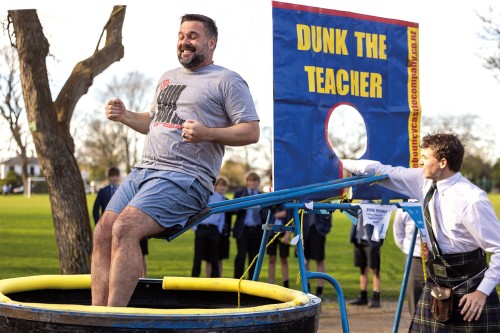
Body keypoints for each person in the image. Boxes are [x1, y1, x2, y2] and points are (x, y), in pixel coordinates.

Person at [91, 13, 260, 307]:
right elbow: (155, 122)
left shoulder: (227, 80)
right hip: (144, 171)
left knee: (124, 229)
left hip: (185, 177)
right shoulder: (167, 76)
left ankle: (111, 318)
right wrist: (126, 115)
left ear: (211, 42)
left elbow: (251, 130)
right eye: (181, 36)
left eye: (192, 36)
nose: (185, 42)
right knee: (103, 231)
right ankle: (95, 315)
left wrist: (208, 133)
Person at [342, 133, 500, 331]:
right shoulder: (422, 182)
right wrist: (337, 161)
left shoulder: (472, 200)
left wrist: (482, 292)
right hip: (436, 280)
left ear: (443, 162)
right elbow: (382, 171)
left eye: (425, 157)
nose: (419, 161)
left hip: (470, 287)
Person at [93, 167, 149, 278]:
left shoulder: (126, 191)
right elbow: (95, 210)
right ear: (109, 178)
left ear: (119, 177)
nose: (114, 178)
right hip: (109, 227)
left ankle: (141, 278)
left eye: (116, 176)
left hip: (126, 226)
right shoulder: (103, 192)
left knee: (133, 254)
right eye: (112, 176)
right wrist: (100, 225)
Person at [191, 176, 229, 278]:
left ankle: (214, 280)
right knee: (198, 256)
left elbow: (222, 215)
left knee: (214, 256)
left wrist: (219, 229)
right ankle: (194, 279)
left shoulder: (221, 198)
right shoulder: (203, 196)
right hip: (201, 229)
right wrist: (195, 228)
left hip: (214, 229)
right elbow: (194, 212)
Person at [349, 201, 384, 308]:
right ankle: (363, 296)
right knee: (362, 269)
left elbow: (382, 224)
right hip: (359, 241)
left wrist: (378, 241)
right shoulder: (357, 206)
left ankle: (376, 297)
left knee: (374, 269)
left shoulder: (375, 206)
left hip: (371, 242)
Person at [393, 207, 426, 316]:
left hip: (435, 258)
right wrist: (409, 250)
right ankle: (416, 324)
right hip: (413, 258)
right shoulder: (404, 209)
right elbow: (398, 234)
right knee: (414, 293)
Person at [232, 171, 265, 280]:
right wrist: (245, 204)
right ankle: (237, 281)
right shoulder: (240, 194)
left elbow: (264, 213)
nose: (253, 183)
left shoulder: (262, 195)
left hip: (256, 230)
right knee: (241, 256)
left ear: (258, 183)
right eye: (251, 180)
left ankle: (252, 282)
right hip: (243, 230)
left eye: (255, 181)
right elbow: (235, 210)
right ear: (247, 182)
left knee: (254, 258)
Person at [303, 212, 332, 299]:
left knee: (319, 259)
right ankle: (306, 288)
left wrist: (325, 228)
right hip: (304, 229)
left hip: (318, 230)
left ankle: (319, 289)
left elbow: (329, 211)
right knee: (304, 259)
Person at [266, 209, 290, 288]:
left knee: (284, 258)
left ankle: (286, 283)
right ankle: (271, 283)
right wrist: (276, 215)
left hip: (283, 232)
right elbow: (264, 216)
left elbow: (290, 217)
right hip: (271, 232)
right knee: (271, 258)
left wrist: (288, 233)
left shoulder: (287, 201)